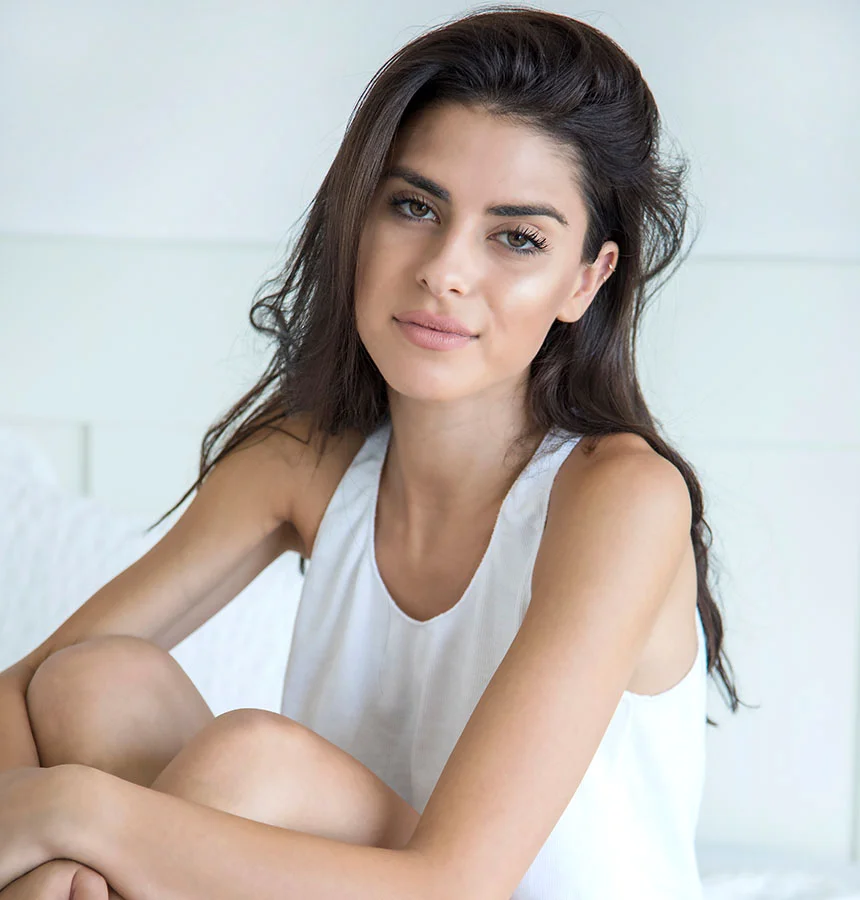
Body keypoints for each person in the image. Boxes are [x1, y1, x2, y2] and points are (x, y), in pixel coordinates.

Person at [0, 7, 744, 899]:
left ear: (585, 280)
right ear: (359, 219)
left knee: (253, 764)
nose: (444, 269)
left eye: (517, 237)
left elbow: (456, 883)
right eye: (414, 206)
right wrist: (50, 843)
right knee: (94, 682)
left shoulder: (621, 496)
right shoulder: (306, 460)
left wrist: (73, 814)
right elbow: (23, 691)